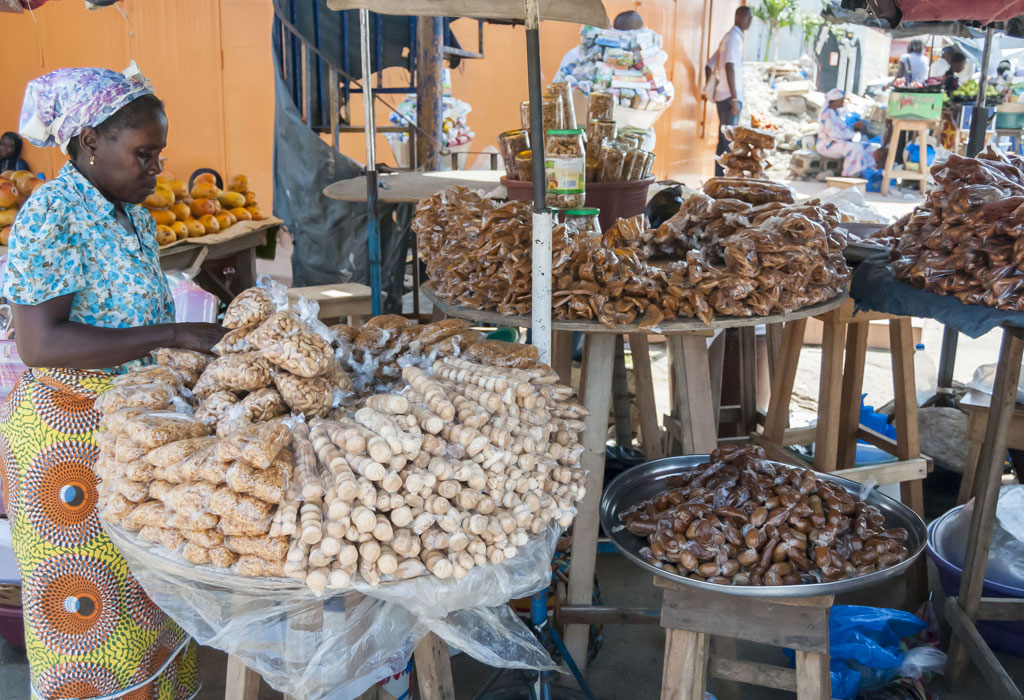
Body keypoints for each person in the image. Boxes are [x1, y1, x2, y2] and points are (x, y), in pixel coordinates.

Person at [2, 65, 226, 699]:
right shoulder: (53, 212)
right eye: (143, 153)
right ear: (90, 142)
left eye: (159, 152)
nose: (156, 167)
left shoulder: (133, 215)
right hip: (66, 440)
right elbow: (41, 342)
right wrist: (172, 336)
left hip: (128, 430)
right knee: (93, 618)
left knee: (147, 601)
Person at [705, 6, 753, 176]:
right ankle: (726, 180)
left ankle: (719, 178)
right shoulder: (734, 37)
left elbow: (709, 65)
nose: (750, 22)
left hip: (722, 95)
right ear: (740, 17)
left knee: (723, 140)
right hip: (729, 98)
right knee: (730, 142)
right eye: (749, 18)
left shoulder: (728, 37)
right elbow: (729, 65)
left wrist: (716, 84)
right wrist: (734, 98)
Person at [816, 88, 881, 177]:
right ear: (834, 101)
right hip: (828, 145)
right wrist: (852, 130)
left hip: (838, 142)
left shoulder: (836, 112)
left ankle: (866, 171)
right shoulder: (827, 114)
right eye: (841, 100)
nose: (843, 101)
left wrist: (854, 129)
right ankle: (849, 174)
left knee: (868, 147)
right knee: (855, 148)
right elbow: (834, 134)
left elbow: (842, 129)